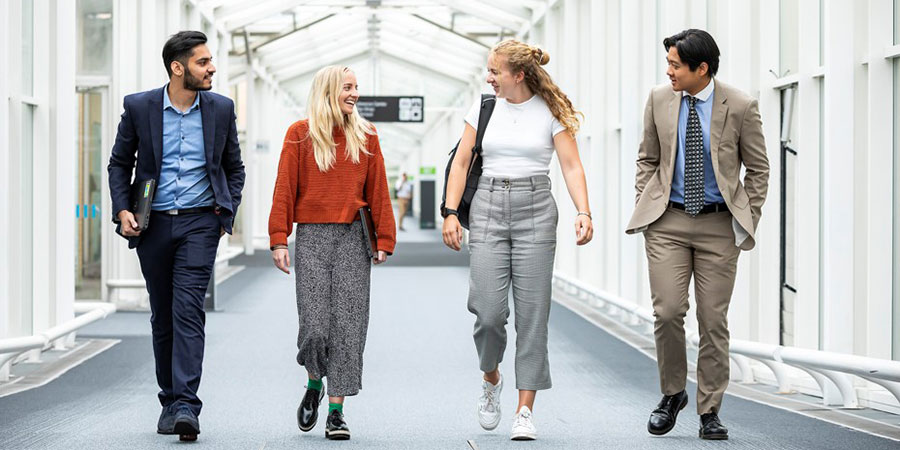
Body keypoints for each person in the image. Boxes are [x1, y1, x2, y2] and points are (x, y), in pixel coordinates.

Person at [441, 39, 593, 441]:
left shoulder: (549, 111)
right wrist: (451, 212)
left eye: (494, 72)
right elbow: (461, 160)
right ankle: (491, 377)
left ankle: (525, 410)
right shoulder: (484, 107)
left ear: (518, 75)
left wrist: (583, 211)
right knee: (488, 312)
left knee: (533, 314)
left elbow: (572, 166)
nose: (488, 77)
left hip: (536, 208)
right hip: (489, 204)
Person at [625, 29, 769, 440]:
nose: (668, 71)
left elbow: (758, 169)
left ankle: (709, 409)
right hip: (667, 222)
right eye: (668, 63)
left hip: (718, 226)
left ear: (701, 69)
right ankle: (672, 394)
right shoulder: (658, 99)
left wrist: (747, 215)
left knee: (713, 320)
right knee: (668, 311)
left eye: (675, 64)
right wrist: (646, 201)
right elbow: (647, 157)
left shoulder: (740, 105)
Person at [107, 30, 245, 441]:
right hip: (153, 224)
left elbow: (234, 168)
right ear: (177, 67)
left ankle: (186, 403)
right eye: (203, 62)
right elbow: (119, 164)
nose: (212, 68)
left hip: (201, 222)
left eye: (211, 60)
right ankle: (169, 400)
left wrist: (226, 211)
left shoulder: (221, 108)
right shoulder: (140, 106)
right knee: (162, 313)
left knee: (188, 309)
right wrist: (123, 208)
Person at [268, 65, 396, 441]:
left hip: (353, 238)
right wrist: (279, 238)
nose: (355, 94)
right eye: (348, 87)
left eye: (357, 87)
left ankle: (336, 412)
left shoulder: (367, 135)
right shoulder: (299, 135)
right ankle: (313, 383)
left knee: (349, 325)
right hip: (311, 237)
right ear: (328, 90)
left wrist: (384, 239)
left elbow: (379, 190)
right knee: (314, 324)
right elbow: (284, 188)